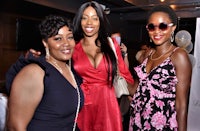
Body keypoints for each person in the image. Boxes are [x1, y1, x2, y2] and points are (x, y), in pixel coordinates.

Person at [6, 15, 84, 131]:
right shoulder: (35, 72)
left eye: (70, 37)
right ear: (45, 43)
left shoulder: (70, 70)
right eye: (58, 38)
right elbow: (15, 126)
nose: (66, 43)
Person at [72, 1, 134, 131]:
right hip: (83, 105)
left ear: (100, 21)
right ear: (79, 20)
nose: (89, 23)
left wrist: (135, 96)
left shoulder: (111, 45)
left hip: (108, 104)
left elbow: (124, 72)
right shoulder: (72, 47)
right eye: (85, 18)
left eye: (95, 18)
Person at [129, 5, 192, 131]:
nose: (157, 31)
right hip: (138, 121)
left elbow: (181, 105)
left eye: (162, 26)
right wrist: (114, 71)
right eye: (152, 27)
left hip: (162, 125)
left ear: (173, 28)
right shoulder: (147, 54)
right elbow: (135, 90)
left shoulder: (178, 56)